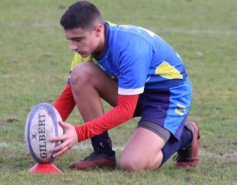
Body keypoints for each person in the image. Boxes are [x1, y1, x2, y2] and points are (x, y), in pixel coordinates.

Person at [51, 0, 200, 172]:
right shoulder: (87, 49)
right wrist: (48, 128)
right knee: (81, 74)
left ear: (98, 30)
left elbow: (126, 109)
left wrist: (79, 133)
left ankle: (187, 135)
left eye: (78, 39)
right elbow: (70, 94)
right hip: (133, 91)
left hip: (166, 98)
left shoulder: (130, 48)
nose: (73, 47)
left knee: (132, 164)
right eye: (69, 40)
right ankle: (102, 153)